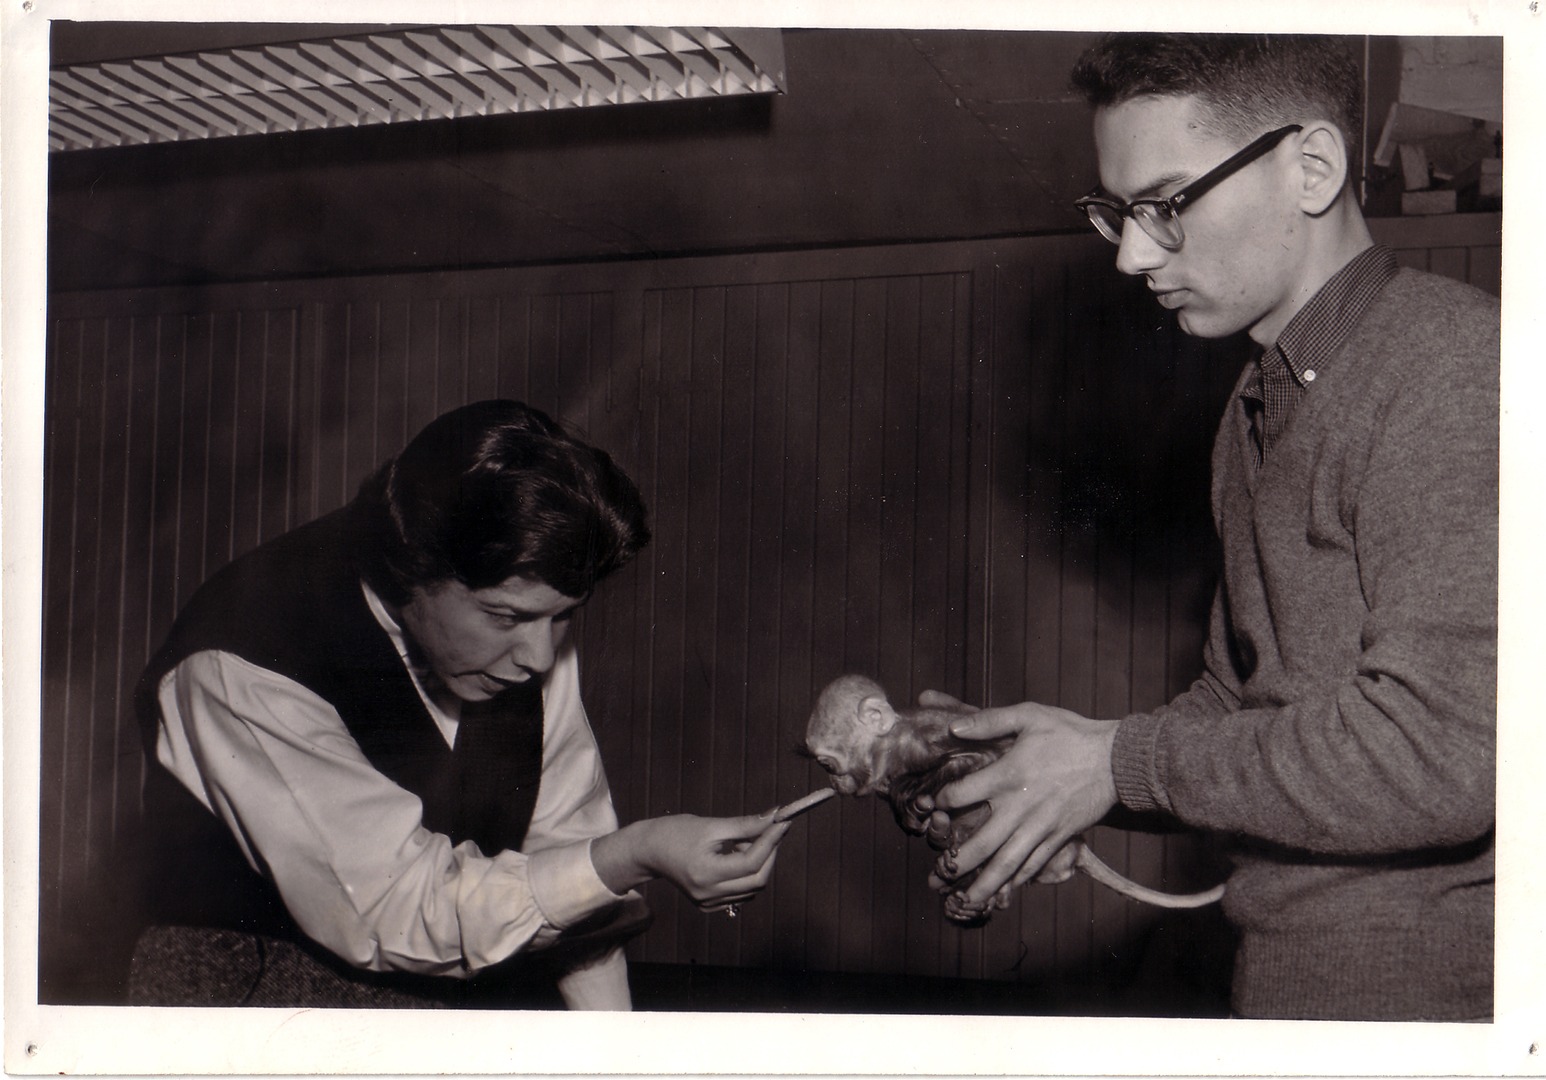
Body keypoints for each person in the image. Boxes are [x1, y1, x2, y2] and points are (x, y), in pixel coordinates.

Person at [926, 34, 1497, 1021]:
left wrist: (1114, 762)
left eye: (1166, 205)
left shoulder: (1457, 373)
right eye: (1117, 212)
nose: (1131, 253)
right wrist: (1066, 775)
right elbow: (1241, 706)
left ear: (1310, 168)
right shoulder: (1254, 407)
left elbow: (1441, 755)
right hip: (1289, 979)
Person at [128, 399, 790, 1010]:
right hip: (244, 1003)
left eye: (563, 618)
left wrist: (614, 1053)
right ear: (410, 569)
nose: (539, 657)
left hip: (439, 1001)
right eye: (504, 616)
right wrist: (636, 853)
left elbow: (567, 854)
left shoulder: (529, 632)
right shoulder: (243, 657)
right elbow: (389, 909)